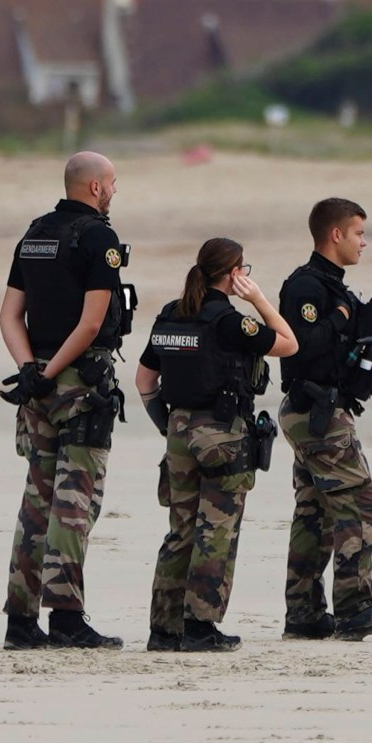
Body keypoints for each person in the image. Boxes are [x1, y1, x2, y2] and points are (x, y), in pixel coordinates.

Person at [0, 151, 136, 651]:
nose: (116, 191)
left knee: (37, 501)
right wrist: (52, 372)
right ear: (96, 188)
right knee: (74, 503)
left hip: (38, 386)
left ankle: (20, 621)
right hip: (80, 384)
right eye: (113, 183)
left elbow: (10, 315)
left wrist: (30, 371)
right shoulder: (99, 237)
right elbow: (93, 323)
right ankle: (67, 619)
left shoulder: (34, 232)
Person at [139, 238, 297, 652]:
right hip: (222, 433)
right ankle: (200, 626)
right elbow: (288, 343)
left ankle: (164, 628)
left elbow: (144, 381)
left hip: (178, 430)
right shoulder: (229, 321)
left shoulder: (171, 316)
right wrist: (259, 298)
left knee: (181, 529)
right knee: (217, 532)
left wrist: (168, 426)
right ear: (234, 273)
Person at [275, 198, 372, 641]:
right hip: (314, 410)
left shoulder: (335, 288)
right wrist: (343, 319)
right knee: (358, 501)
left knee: (315, 509)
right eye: (358, 234)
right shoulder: (306, 288)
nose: (363, 243)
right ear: (336, 235)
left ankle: (305, 614)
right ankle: (355, 608)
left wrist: (367, 334)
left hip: (323, 408)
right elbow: (302, 345)